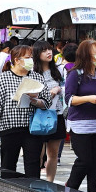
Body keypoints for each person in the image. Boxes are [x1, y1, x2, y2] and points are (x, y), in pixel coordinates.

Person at [0, 45, 53, 176]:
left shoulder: (37, 77)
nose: (31, 61)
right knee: (8, 165)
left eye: (32, 58)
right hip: (9, 127)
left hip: (33, 128)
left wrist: (34, 100)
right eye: (27, 58)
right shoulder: (3, 78)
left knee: (33, 164)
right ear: (17, 60)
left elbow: (47, 102)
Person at [65, 39, 96, 192]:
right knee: (84, 160)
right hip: (81, 125)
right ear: (86, 54)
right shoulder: (75, 74)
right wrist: (88, 98)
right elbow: (69, 99)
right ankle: (70, 190)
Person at [32, 40, 67, 182]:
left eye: (50, 50)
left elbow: (67, 89)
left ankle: (50, 182)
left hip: (56, 114)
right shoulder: (32, 72)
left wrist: (59, 89)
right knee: (37, 152)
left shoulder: (58, 70)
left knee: (53, 153)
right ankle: (36, 180)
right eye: (44, 50)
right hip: (38, 115)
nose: (49, 53)